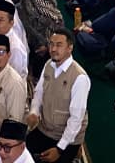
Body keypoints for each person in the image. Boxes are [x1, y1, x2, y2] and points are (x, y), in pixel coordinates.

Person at [26, 28, 89, 163]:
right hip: (45, 129)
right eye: (51, 44)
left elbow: (76, 119)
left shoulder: (80, 78)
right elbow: (38, 93)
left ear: (70, 48)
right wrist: (34, 112)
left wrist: (60, 149)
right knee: (19, 153)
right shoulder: (48, 65)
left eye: (59, 45)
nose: (53, 49)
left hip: (67, 139)